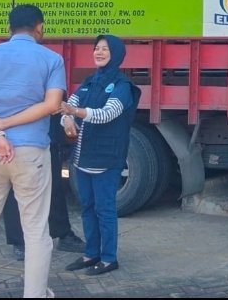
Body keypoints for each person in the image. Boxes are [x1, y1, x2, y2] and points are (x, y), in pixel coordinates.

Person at [0, 4, 66, 299]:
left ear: (9, 28)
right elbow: (51, 104)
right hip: (31, 153)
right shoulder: (52, 59)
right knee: (35, 232)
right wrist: (8, 124)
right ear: (39, 26)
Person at [60, 35, 139, 276]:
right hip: (83, 158)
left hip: (107, 158)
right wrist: (67, 119)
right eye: (97, 48)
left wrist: (75, 112)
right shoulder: (88, 82)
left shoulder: (122, 86)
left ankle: (108, 258)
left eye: (105, 49)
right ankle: (90, 253)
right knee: (87, 206)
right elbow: (66, 108)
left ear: (116, 53)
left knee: (105, 209)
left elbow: (107, 114)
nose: (99, 52)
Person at [1, 115, 86, 261]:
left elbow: (57, 98)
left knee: (54, 185)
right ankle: (19, 242)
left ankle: (63, 233)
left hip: (45, 133)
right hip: (14, 136)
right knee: (14, 189)